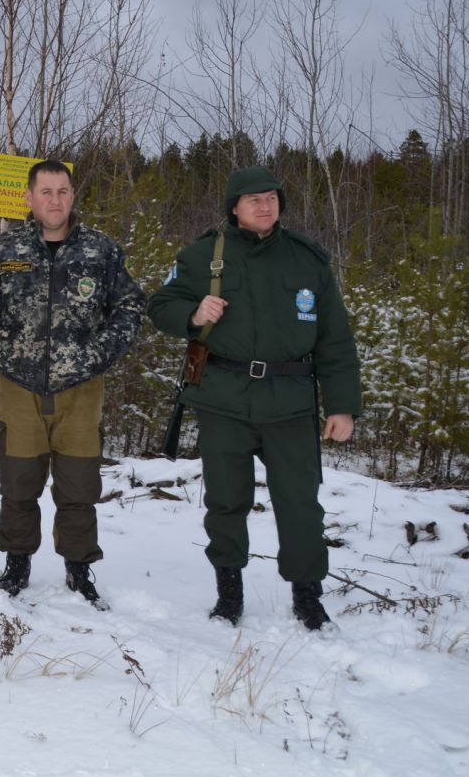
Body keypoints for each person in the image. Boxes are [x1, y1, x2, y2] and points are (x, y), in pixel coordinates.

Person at [146, 165, 361, 630]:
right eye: (254, 200)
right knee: (226, 502)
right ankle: (229, 594)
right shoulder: (202, 255)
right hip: (225, 400)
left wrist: (342, 405)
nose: (265, 206)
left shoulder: (307, 260)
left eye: (272, 198)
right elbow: (159, 306)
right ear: (234, 207)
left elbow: (336, 339)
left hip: (291, 401)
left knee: (301, 504)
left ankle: (307, 597)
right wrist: (193, 311)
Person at [0, 159, 145, 608]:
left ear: (72, 195)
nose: (55, 200)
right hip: (19, 388)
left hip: (81, 390)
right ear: (29, 197)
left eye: (62, 191)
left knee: (78, 486)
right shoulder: (3, 250)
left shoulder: (101, 250)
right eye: (46, 192)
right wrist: (5, 350)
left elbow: (131, 307)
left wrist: (97, 353)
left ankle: (79, 568)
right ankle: (17, 562)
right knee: (19, 483)